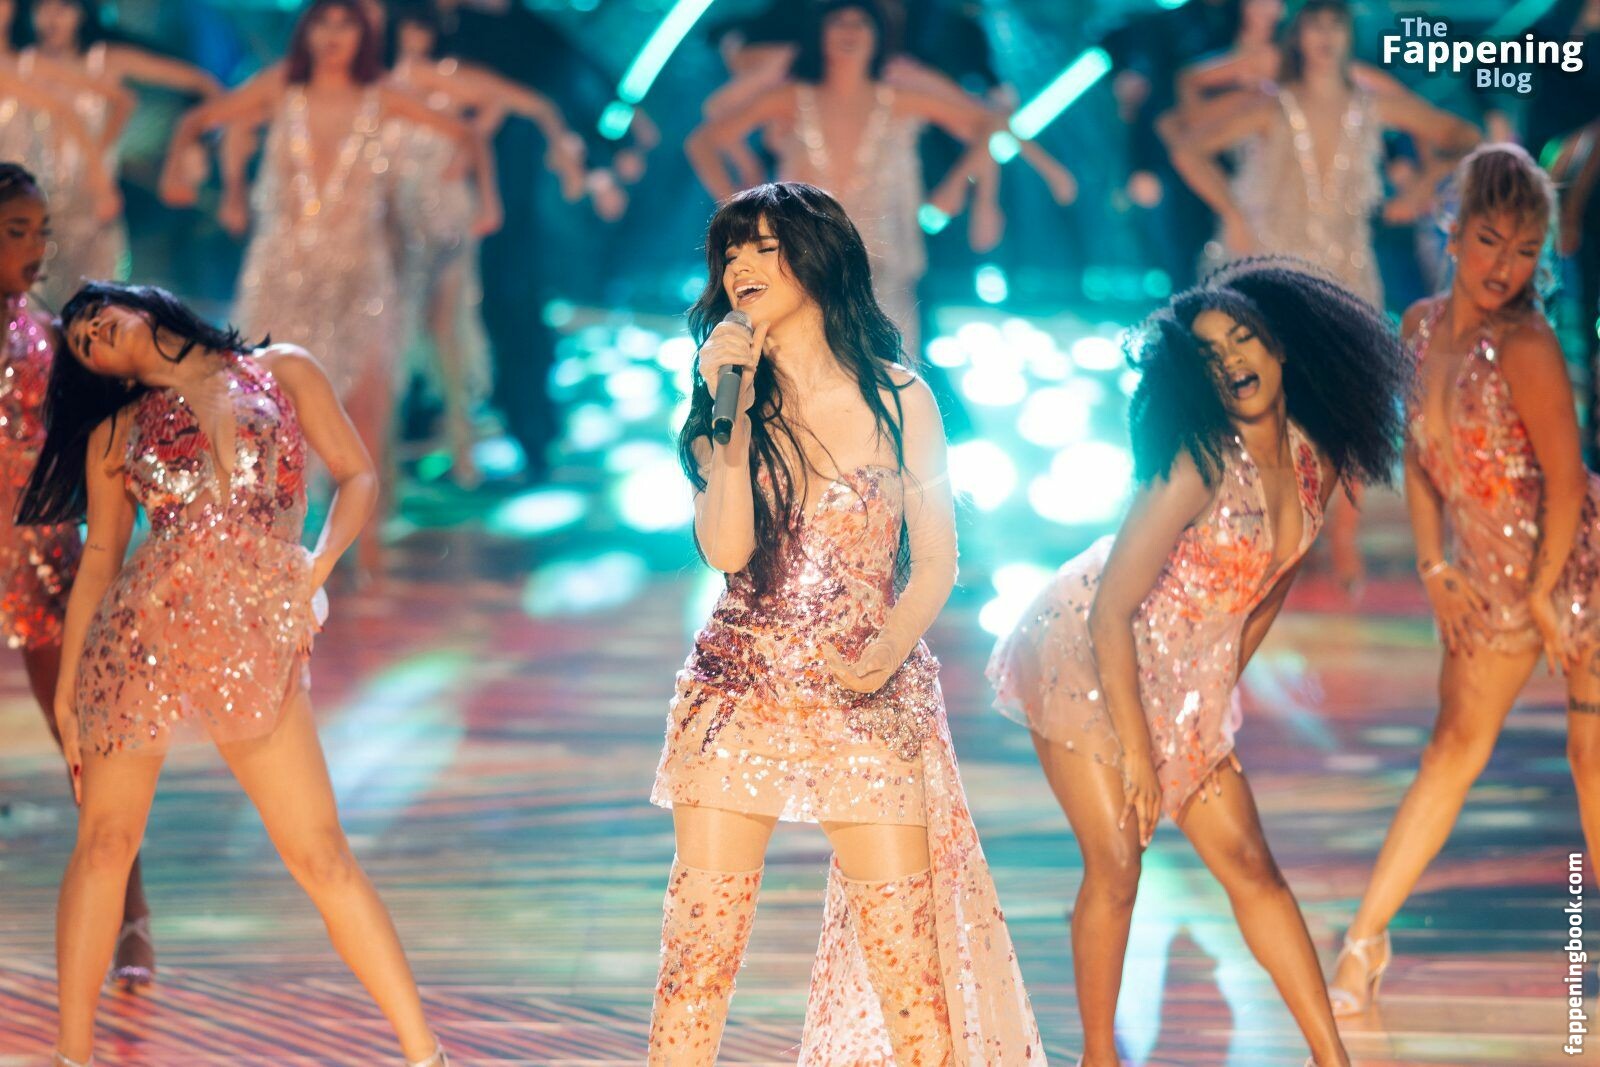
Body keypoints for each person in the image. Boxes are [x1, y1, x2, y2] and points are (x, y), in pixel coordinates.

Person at [649, 181, 1042, 1064]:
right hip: (737, 693)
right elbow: (725, 549)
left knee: (911, 974)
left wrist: (889, 647)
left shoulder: (902, 398)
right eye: (731, 251)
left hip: (868, 698)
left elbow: (935, 560)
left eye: (765, 245)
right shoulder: (726, 401)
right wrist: (728, 414)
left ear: (818, 257)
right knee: (696, 964)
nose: (742, 265)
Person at [989, 258, 1411, 1067]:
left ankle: (1334, 1058)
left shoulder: (1315, 458)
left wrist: (1211, 699)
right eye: (1210, 355)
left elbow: (1272, 586)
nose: (1232, 361)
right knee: (1118, 863)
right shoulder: (1199, 464)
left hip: (1183, 680)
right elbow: (1110, 610)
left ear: (1280, 347)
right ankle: (1100, 1057)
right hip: (1087, 654)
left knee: (1252, 864)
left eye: (1243, 339)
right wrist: (1139, 751)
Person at [19, 281, 448, 1067]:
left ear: (142, 302)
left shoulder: (284, 369)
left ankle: (427, 1054)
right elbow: (100, 564)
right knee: (105, 842)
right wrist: (73, 694)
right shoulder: (116, 430)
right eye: (80, 343)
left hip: (252, 644)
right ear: (99, 373)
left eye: (98, 316)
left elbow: (357, 474)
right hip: (141, 642)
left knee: (321, 854)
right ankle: (69, 1055)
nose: (93, 334)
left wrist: (316, 567)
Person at [1328, 144, 1600, 1015]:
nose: (1504, 267)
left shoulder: (1528, 344)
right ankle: (1364, 943)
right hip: (1485, 578)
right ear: (1452, 231)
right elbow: (1417, 460)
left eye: (1524, 251)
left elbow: (1568, 485)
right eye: (1489, 241)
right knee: (1450, 751)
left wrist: (1546, 597)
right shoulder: (1418, 326)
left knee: (1591, 761)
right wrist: (1434, 565)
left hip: (1579, 567)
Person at [157, 0, 496, 577]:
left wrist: (481, 199)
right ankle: (260, 545)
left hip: (360, 273)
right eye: (323, 24)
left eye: (346, 26)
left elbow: (465, 134)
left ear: (363, 37)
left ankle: (366, 552)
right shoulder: (280, 88)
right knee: (265, 406)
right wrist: (192, 174)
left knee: (365, 407)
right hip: (282, 270)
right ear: (306, 32)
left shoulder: (381, 95)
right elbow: (198, 121)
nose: (334, 37)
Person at [1162, 0, 1479, 597]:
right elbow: (1187, 146)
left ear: (1348, 33)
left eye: (1336, 25)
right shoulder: (1272, 104)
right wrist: (1234, 213)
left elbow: (1462, 135)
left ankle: (1343, 542)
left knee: (1352, 412)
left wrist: (1421, 192)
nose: (1325, 37)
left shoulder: (1372, 103)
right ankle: (1275, 536)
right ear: (1298, 35)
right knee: (1270, 411)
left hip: (1350, 273)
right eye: (1314, 25)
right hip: (1280, 276)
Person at [0, 163, 160, 990]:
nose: (34, 247)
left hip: (42, 557)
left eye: (41, 233)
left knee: (83, 742)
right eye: (15, 231)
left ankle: (132, 915)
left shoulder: (53, 338)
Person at [685, 1, 1001, 361]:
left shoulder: (900, 98)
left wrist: (959, 188)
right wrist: (741, 211)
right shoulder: (792, 97)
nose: (849, 31)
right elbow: (703, 141)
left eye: (861, 23)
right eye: (838, 21)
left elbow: (989, 122)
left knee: (887, 373)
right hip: (803, 262)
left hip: (884, 264)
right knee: (797, 373)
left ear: (879, 35)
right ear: (819, 33)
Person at [19, 0, 221, 308]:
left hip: (92, 206)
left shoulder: (105, 60)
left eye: (63, 8)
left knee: (94, 309)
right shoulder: (22, 65)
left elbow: (201, 83)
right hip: (30, 209)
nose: (52, 19)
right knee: (29, 313)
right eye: (42, 8)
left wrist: (193, 148)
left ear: (82, 13)